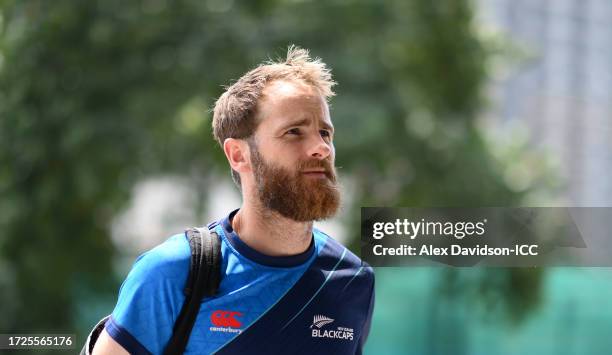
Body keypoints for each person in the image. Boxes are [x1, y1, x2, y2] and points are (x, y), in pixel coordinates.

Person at [93, 46, 375, 355]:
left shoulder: (353, 281)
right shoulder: (172, 272)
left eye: (325, 133)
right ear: (238, 155)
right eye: (294, 132)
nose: (321, 148)